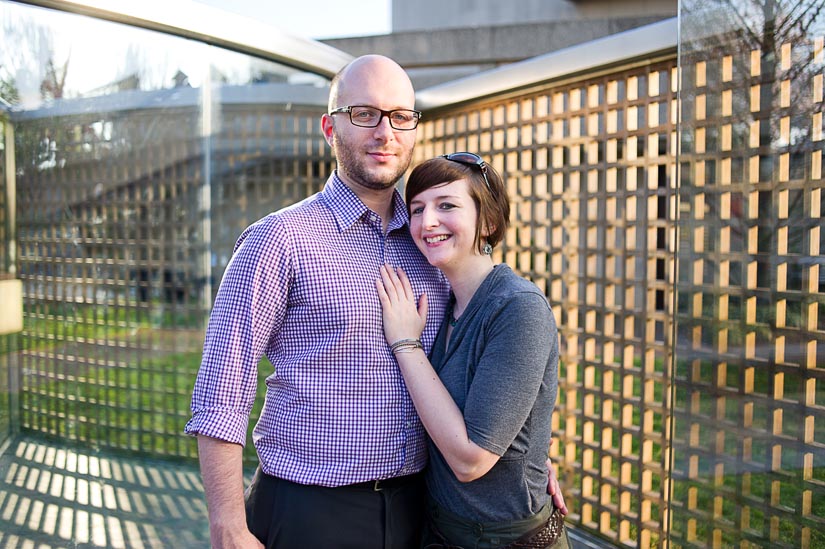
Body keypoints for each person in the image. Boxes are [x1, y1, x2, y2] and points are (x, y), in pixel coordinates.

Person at [185, 54, 451, 548]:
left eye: (400, 116)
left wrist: (523, 461)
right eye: (364, 114)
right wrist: (226, 523)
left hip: (420, 506)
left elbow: (472, 362)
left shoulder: (432, 242)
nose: (385, 133)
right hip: (307, 511)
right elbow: (222, 392)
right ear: (330, 127)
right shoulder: (277, 239)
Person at [376, 152, 570, 548]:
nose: (427, 221)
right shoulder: (445, 302)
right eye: (416, 209)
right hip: (440, 528)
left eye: (447, 205)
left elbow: (470, 461)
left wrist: (406, 344)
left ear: (490, 222)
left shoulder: (518, 307)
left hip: (507, 539)